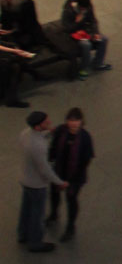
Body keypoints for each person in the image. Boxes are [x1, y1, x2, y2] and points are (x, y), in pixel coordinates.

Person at [17, 109, 65, 253]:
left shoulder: (25, 133)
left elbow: (38, 136)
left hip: (25, 178)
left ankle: (23, 234)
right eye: (46, 122)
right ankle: (35, 243)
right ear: (38, 126)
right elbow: (45, 170)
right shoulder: (38, 146)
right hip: (36, 184)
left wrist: (49, 132)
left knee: (26, 208)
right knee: (37, 214)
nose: (49, 122)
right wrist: (59, 182)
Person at [46, 107, 95, 241]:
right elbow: (53, 147)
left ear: (81, 121)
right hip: (59, 170)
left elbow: (86, 160)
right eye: (71, 120)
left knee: (71, 199)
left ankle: (70, 226)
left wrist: (71, 180)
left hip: (75, 176)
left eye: (76, 120)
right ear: (67, 121)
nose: (73, 123)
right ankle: (54, 214)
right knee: (54, 193)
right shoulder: (61, 131)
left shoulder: (85, 137)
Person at [61, 0, 111, 73]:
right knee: (86, 45)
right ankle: (83, 68)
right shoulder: (68, 10)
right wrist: (77, 22)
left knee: (104, 39)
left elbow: (93, 21)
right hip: (73, 34)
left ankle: (98, 63)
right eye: (82, 8)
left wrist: (95, 32)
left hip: (86, 30)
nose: (84, 10)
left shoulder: (88, 7)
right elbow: (67, 28)